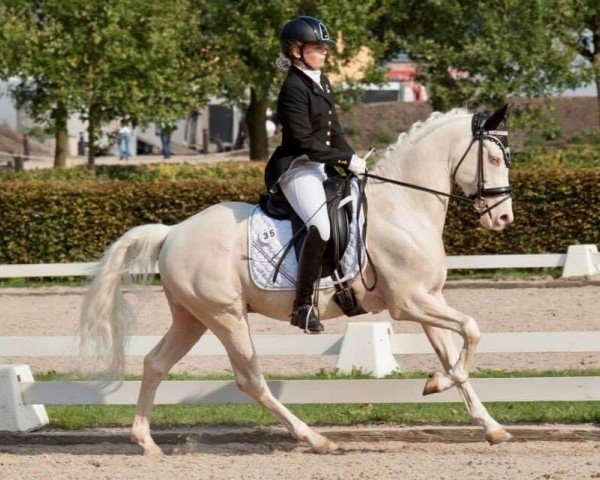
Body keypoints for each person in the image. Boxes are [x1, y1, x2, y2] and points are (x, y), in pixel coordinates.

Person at [264, 16, 367, 333]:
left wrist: (352, 157)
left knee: (356, 210)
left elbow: (333, 130)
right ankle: (303, 306)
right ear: (296, 51)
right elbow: (304, 142)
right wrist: (345, 159)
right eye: (317, 47)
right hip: (297, 167)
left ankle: (343, 285)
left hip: (321, 163)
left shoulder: (320, 80)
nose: (324, 51)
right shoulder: (293, 87)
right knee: (320, 227)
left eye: (324, 47)